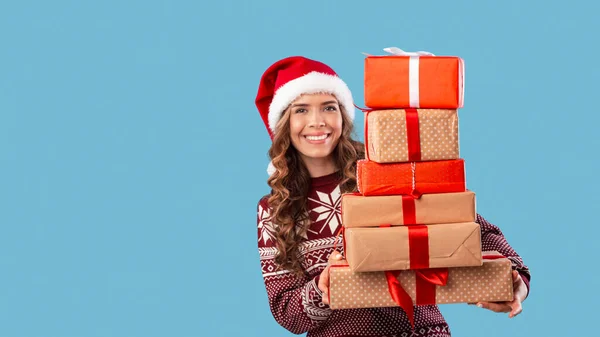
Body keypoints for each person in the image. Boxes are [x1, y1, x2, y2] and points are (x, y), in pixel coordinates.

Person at [254, 56, 531, 337]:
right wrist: (322, 290)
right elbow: (287, 312)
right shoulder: (275, 210)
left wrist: (516, 279)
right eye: (301, 110)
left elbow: (474, 229)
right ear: (284, 123)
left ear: (343, 116)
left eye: (329, 107)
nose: (317, 121)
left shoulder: (385, 174)